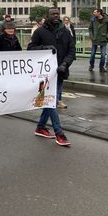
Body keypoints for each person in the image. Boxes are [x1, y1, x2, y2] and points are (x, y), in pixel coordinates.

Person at [28, 8, 75, 147]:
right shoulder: (40, 32)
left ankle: (40, 127)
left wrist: (65, 64)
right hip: (44, 74)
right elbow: (30, 49)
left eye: (57, 14)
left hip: (60, 72)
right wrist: (44, 48)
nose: (56, 16)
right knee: (51, 102)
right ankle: (59, 133)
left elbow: (71, 50)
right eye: (53, 14)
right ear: (47, 16)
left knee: (50, 102)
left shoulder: (65, 31)